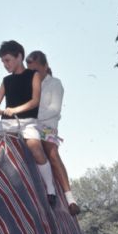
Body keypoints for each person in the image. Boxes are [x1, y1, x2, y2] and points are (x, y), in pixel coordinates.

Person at [0, 40, 56, 204]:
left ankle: (50, 188)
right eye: (3, 61)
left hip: (27, 122)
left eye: (7, 60)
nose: (5, 65)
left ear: (19, 56)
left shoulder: (33, 76)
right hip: (6, 123)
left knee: (35, 147)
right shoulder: (7, 81)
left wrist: (15, 110)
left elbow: (35, 101)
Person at [25, 50, 80, 215]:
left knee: (52, 152)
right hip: (28, 125)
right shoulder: (29, 84)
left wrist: (32, 115)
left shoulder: (55, 84)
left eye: (36, 70)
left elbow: (54, 110)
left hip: (47, 127)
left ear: (45, 66)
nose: (33, 74)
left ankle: (69, 198)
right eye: (30, 70)